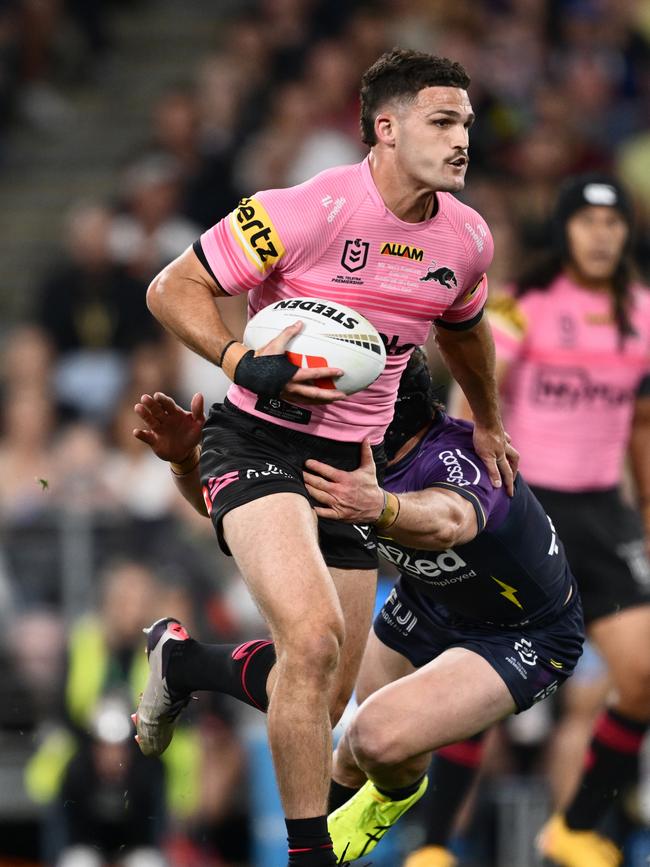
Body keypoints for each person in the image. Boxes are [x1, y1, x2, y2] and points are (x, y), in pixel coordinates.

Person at [140, 47, 518, 867]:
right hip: (256, 438)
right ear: (385, 128)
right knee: (310, 643)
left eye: (467, 124)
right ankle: (308, 856)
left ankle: (181, 660)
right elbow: (171, 288)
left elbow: (465, 327)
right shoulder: (304, 208)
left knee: (322, 685)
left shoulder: (467, 238)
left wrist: (486, 419)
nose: (462, 140)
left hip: (353, 464)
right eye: (442, 121)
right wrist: (241, 358)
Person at [131, 349, 582, 864]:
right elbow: (248, 518)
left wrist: (381, 507)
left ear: (385, 411)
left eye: (348, 406)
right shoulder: (345, 454)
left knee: (371, 739)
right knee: (322, 703)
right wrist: (187, 464)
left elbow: (450, 521)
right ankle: (181, 663)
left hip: (524, 631)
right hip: (430, 601)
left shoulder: (456, 453)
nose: (329, 418)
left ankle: (387, 796)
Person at [429, 173, 650, 867]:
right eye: (588, 222)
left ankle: (575, 826)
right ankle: (433, 845)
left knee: (643, 676)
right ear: (565, 231)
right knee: (485, 685)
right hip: (523, 507)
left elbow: (642, 423)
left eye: (613, 225)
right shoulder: (521, 310)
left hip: (602, 512)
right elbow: (471, 401)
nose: (602, 236)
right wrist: (465, 498)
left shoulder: (642, 313)